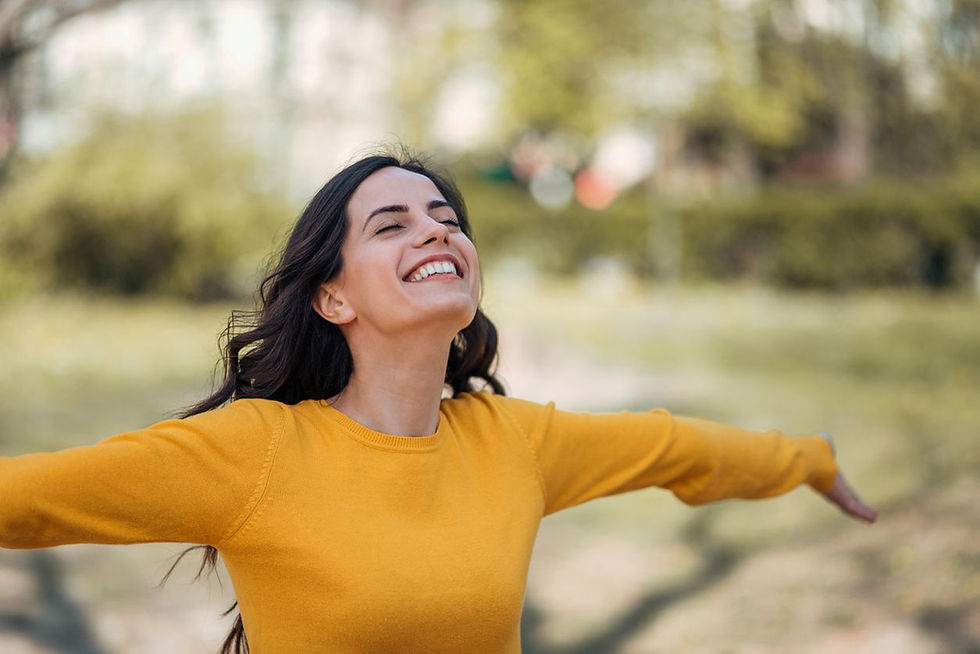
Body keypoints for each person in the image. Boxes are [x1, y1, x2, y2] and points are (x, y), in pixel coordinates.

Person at [0, 152, 877, 654]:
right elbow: (27, 499)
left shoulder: (509, 442)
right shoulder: (258, 452)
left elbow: (673, 449)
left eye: (446, 218)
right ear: (332, 298)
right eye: (392, 225)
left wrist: (809, 460)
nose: (438, 230)